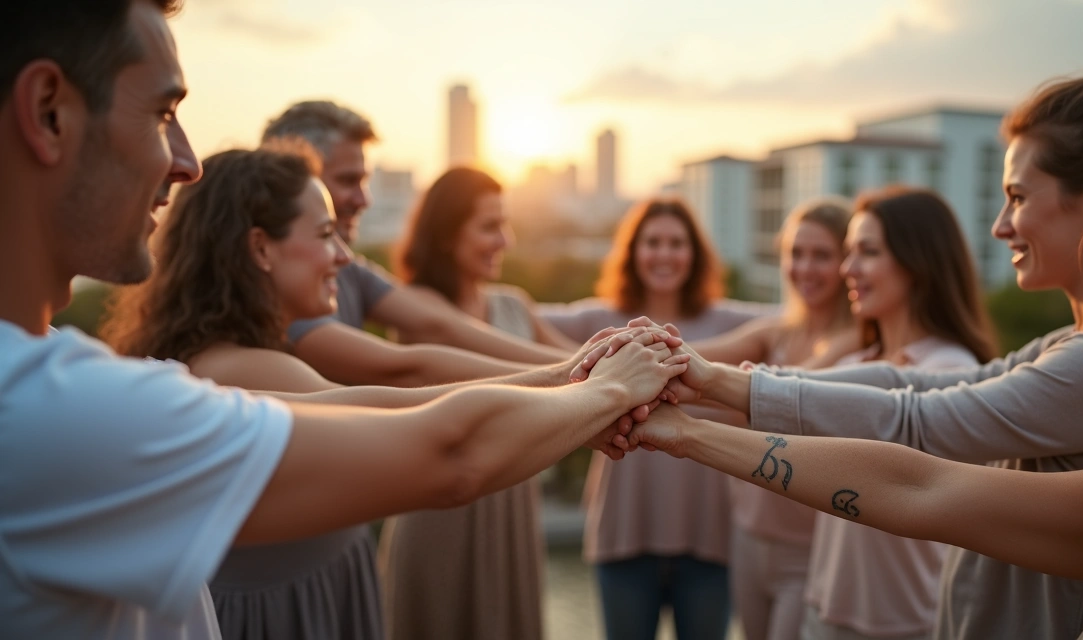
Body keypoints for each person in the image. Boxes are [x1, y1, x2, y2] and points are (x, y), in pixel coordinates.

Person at [0, 2, 684, 637]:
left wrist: (573, 375)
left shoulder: (59, 389)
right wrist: (606, 389)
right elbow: (440, 439)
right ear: (49, 112)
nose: (186, 162)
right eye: (161, 114)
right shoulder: (53, 411)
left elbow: (380, 399)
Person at [596, 52, 1083, 640]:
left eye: (1018, 197)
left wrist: (693, 423)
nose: (1000, 225)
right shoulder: (1066, 350)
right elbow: (915, 395)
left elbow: (922, 458)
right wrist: (709, 383)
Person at [542, 198, 771, 640]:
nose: (664, 254)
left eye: (676, 243)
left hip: (709, 538)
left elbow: (800, 322)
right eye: (653, 242)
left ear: (695, 253)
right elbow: (513, 321)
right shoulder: (599, 319)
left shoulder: (731, 320)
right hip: (624, 534)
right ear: (633, 252)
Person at [378, 167, 577, 640]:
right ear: (447, 234)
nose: (504, 239)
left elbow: (576, 368)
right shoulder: (416, 312)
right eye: (489, 226)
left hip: (511, 507)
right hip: (438, 509)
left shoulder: (516, 305)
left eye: (504, 224)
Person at [261, 101, 576, 386]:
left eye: (364, 181)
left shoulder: (351, 270)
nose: (364, 199)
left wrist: (589, 365)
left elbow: (443, 325)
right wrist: (574, 376)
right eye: (347, 180)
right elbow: (404, 368)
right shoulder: (274, 285)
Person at [800, 186, 997, 640]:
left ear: (917, 261)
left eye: (867, 252)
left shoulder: (955, 371)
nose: (847, 269)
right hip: (825, 610)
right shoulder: (851, 366)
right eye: (849, 253)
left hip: (912, 623)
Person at [691, 198, 855, 640]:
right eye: (795, 254)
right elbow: (693, 361)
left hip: (808, 552)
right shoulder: (774, 331)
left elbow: (798, 395)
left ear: (846, 262)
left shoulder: (858, 343)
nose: (805, 268)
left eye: (821, 255)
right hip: (747, 538)